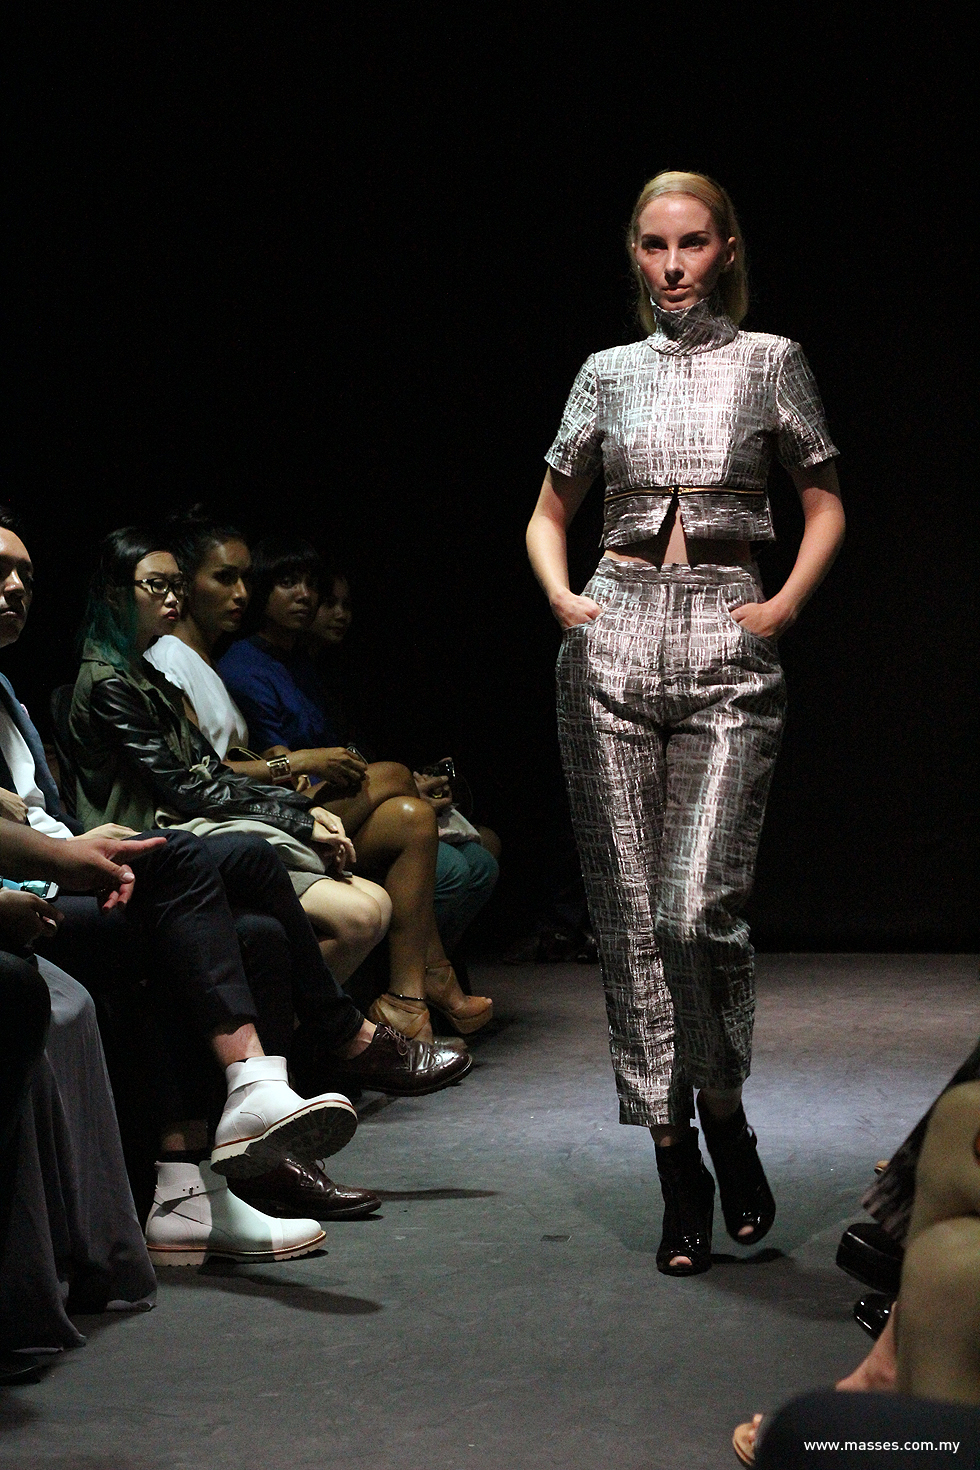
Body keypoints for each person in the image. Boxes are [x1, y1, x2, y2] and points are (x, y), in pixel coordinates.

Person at [526, 171, 845, 1275]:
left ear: (726, 250)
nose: (673, 266)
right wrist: (563, 596)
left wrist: (781, 607)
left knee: (695, 908)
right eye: (655, 245)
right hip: (611, 634)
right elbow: (547, 511)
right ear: (632, 252)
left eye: (693, 243)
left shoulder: (770, 360)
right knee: (627, 918)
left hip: (725, 632)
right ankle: (674, 1163)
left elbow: (824, 499)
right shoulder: (605, 372)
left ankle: (722, 1108)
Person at [64, 525, 472, 1094]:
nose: (173, 598)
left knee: (374, 894)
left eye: (177, 585)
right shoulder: (109, 682)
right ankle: (319, 1049)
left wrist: (299, 809)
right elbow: (188, 790)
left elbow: (208, 772)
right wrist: (298, 815)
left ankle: (295, 1059)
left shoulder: (145, 672)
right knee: (356, 909)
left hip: (191, 824)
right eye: (156, 586)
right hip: (155, 835)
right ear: (113, 592)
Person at [215, 534, 493, 1041]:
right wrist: (324, 766)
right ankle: (435, 973)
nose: (305, 595)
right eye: (288, 583)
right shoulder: (244, 664)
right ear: (260, 591)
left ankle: (406, 999)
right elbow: (275, 764)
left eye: (311, 585)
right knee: (393, 775)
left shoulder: (300, 664)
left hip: (325, 800)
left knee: (413, 815)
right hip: (286, 809)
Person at [143, 509, 392, 984]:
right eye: (224, 578)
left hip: (242, 811)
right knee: (362, 912)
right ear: (186, 585)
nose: (241, 593)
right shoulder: (169, 661)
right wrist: (293, 770)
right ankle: (299, 1026)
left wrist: (284, 780)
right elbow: (202, 773)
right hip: (210, 824)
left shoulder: (204, 660)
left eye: (245, 580)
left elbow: (231, 761)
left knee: (379, 899)